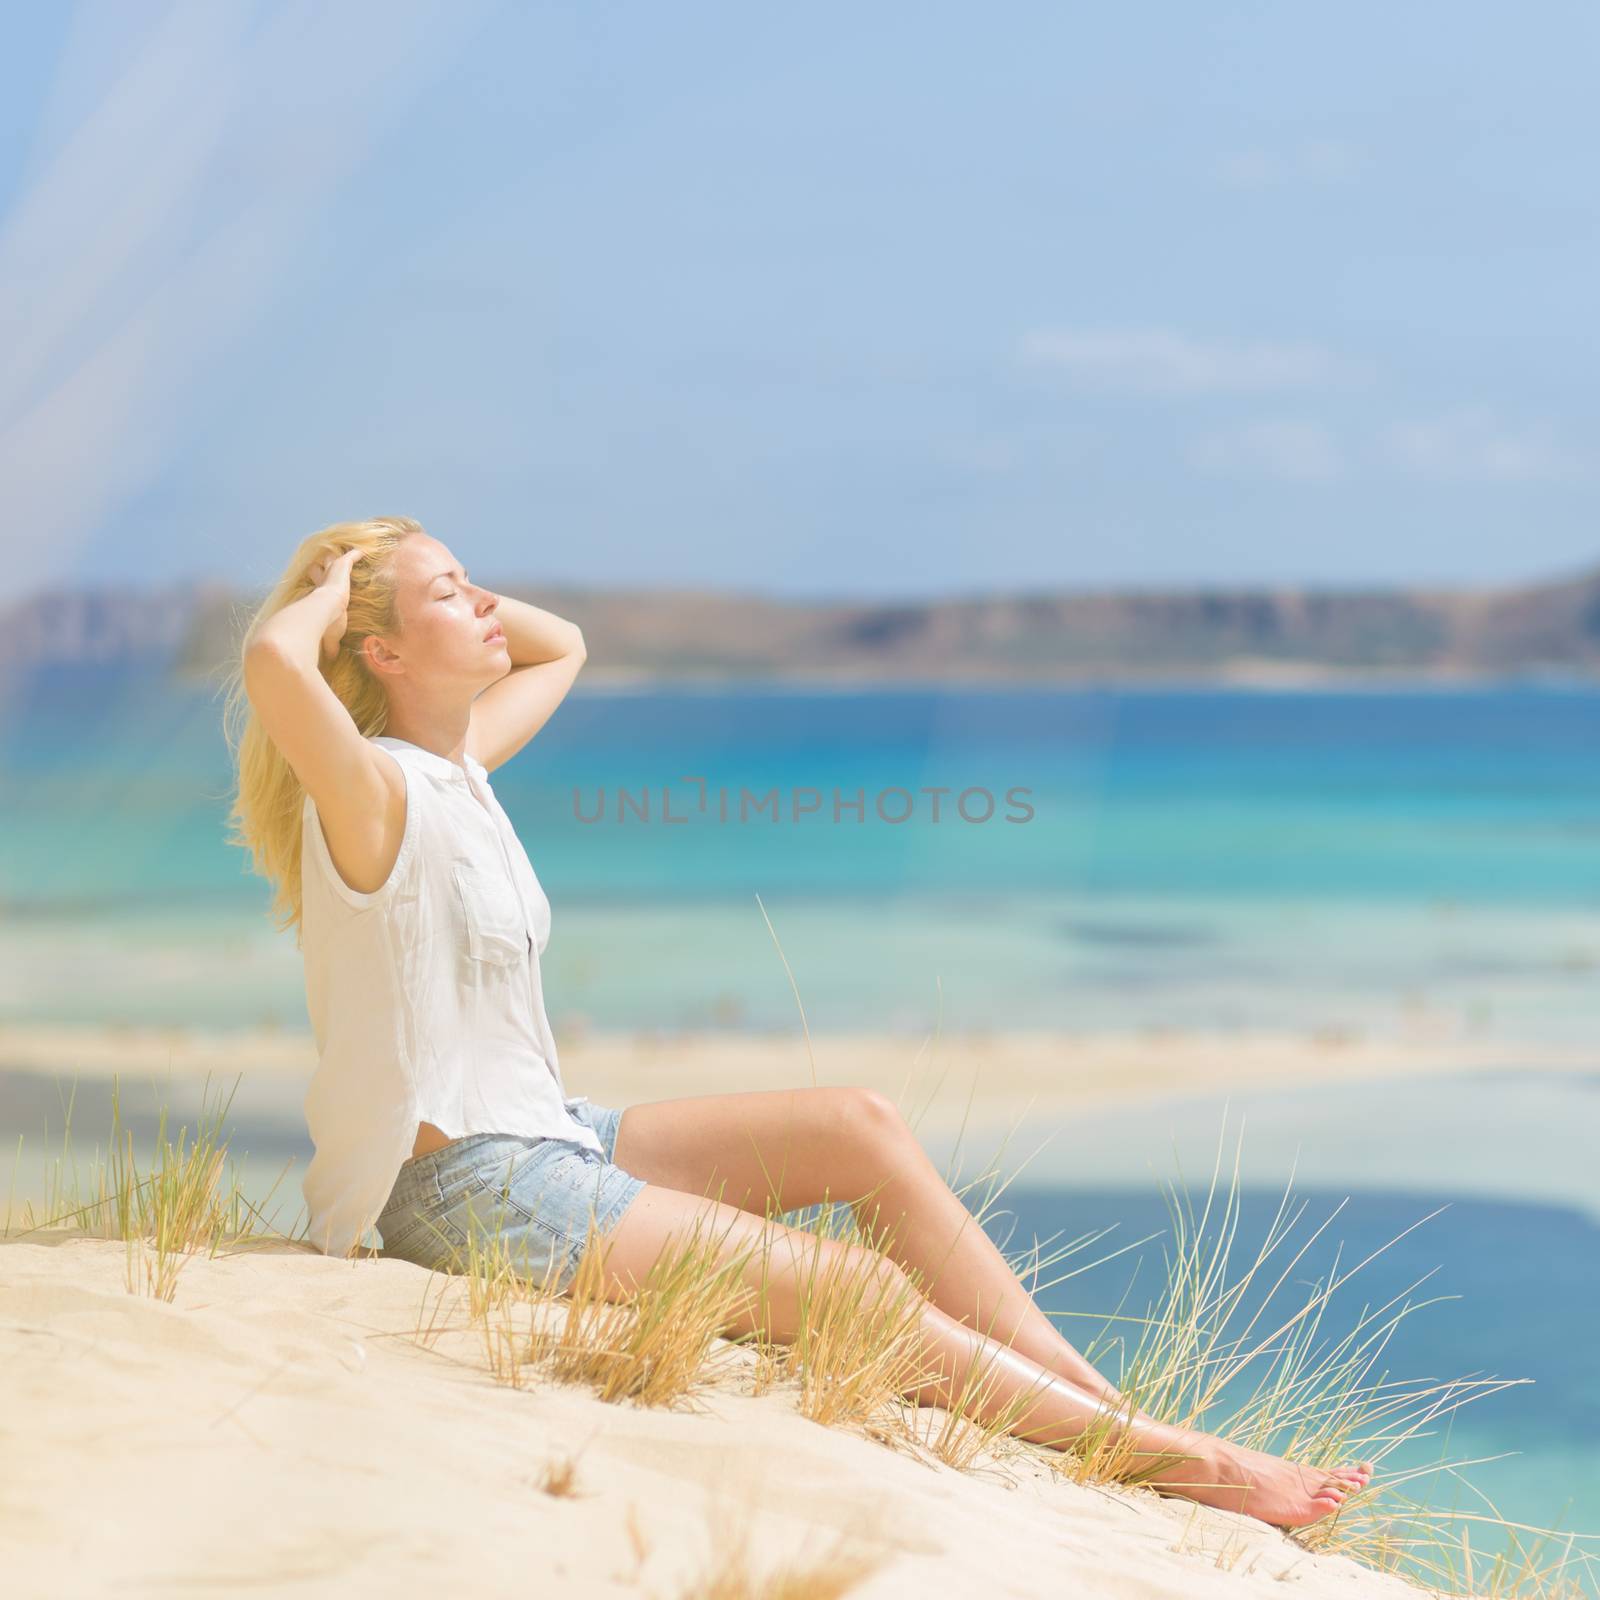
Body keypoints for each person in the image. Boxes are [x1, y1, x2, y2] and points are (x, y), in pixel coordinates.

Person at [223, 515, 1373, 1527]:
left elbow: (562, 641)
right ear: (375, 652)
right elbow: (273, 662)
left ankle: (1113, 1408)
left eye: (477, 582)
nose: (483, 606)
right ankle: (1171, 1462)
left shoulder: (458, 766)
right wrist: (333, 588)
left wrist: (422, 580)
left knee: (856, 1124)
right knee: (857, 1292)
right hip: (465, 1183)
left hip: (546, 1137)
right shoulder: (372, 792)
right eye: (449, 596)